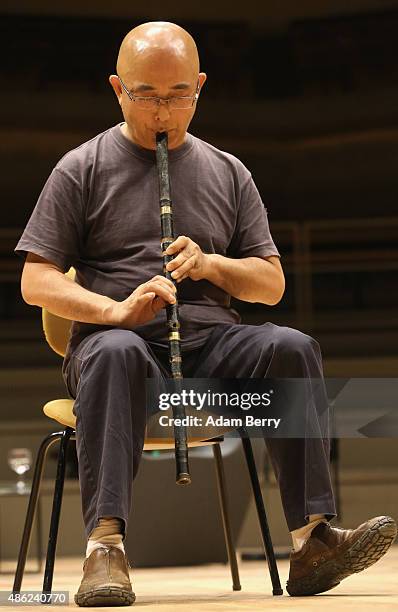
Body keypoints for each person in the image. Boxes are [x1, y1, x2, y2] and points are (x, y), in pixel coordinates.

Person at [15, 21, 396, 606]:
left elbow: (270, 284)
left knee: (291, 345)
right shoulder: (80, 168)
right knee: (115, 350)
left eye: (177, 96)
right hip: (119, 358)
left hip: (211, 361)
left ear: (200, 87)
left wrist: (213, 265)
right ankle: (105, 549)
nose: (162, 112)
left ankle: (312, 540)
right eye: (146, 96)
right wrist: (115, 310)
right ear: (118, 88)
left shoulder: (229, 171)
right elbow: (34, 280)